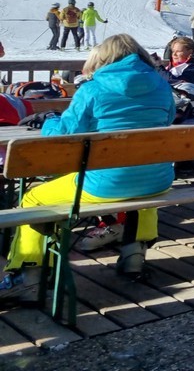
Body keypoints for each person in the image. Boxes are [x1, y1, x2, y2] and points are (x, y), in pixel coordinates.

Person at [0, 34, 176, 297]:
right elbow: (168, 119)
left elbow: (64, 133)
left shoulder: (93, 89)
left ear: (103, 59)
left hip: (106, 185)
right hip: (158, 180)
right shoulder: (161, 86)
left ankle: (28, 275)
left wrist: (49, 121)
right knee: (141, 186)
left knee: (33, 198)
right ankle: (134, 256)